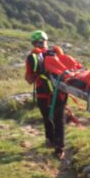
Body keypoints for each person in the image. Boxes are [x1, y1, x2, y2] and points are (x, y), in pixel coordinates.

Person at [24, 30, 67, 159]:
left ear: (33, 43)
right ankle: (59, 148)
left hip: (42, 93)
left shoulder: (32, 57)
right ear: (46, 41)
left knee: (47, 117)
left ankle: (50, 140)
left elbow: (29, 79)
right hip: (59, 92)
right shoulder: (57, 52)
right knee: (59, 119)